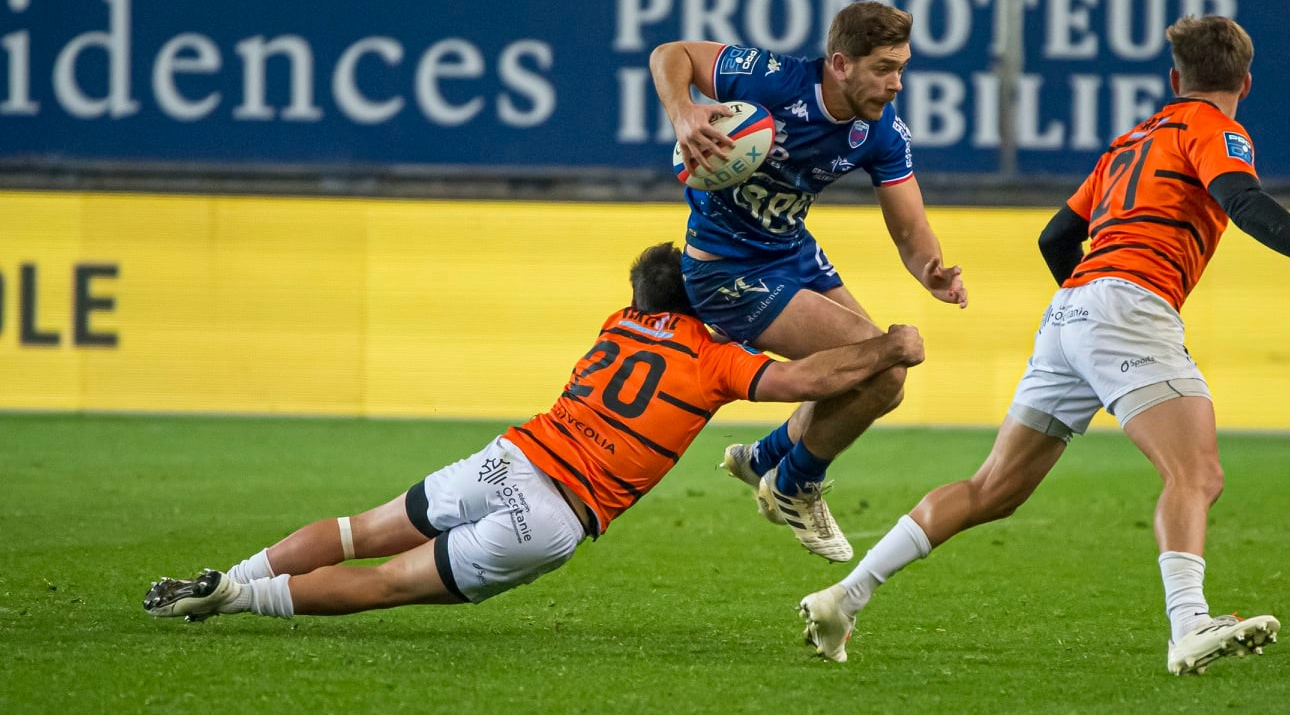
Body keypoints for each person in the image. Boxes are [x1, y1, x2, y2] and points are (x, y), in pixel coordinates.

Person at [798, 15, 1290, 675]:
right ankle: (1187, 624)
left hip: (1070, 311)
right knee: (1196, 473)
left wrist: (1088, 314)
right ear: (1245, 83)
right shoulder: (1216, 130)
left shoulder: (1127, 143)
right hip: (1125, 305)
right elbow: (1241, 199)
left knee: (992, 489)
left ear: (1175, 79)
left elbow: (1055, 238)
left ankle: (844, 595)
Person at [143, 243, 924, 623]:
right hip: (552, 513)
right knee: (388, 582)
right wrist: (885, 346)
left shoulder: (617, 325)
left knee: (358, 530)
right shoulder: (713, 356)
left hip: (509, 457)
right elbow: (803, 379)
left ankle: (231, 572)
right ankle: (239, 599)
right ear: (701, 301)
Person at [649, 1, 966, 564]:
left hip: (792, 252)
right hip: (726, 268)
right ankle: (793, 484)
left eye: (903, 68)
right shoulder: (773, 79)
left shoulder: (882, 132)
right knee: (885, 367)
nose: (897, 83)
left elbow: (910, 230)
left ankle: (766, 458)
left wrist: (931, 270)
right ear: (841, 63)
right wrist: (684, 112)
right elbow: (669, 54)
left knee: (881, 381)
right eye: (884, 68)